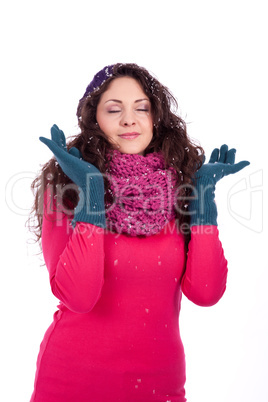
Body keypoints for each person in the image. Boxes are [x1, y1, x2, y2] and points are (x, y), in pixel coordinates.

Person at [28, 63, 249, 402]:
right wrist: (92, 191)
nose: (129, 120)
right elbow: (80, 297)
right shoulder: (66, 191)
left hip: (160, 387)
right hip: (71, 384)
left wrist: (203, 198)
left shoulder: (182, 191)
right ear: (94, 121)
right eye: (113, 109)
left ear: (156, 118)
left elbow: (206, 292)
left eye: (141, 108)